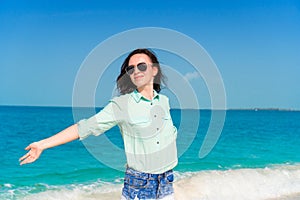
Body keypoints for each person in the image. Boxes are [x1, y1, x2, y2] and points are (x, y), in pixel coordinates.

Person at [19, 48, 178, 200]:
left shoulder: (164, 101)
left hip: (167, 179)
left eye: (142, 66)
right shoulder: (121, 105)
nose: (136, 71)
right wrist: (42, 145)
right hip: (140, 184)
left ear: (154, 70)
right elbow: (85, 127)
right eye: (131, 69)